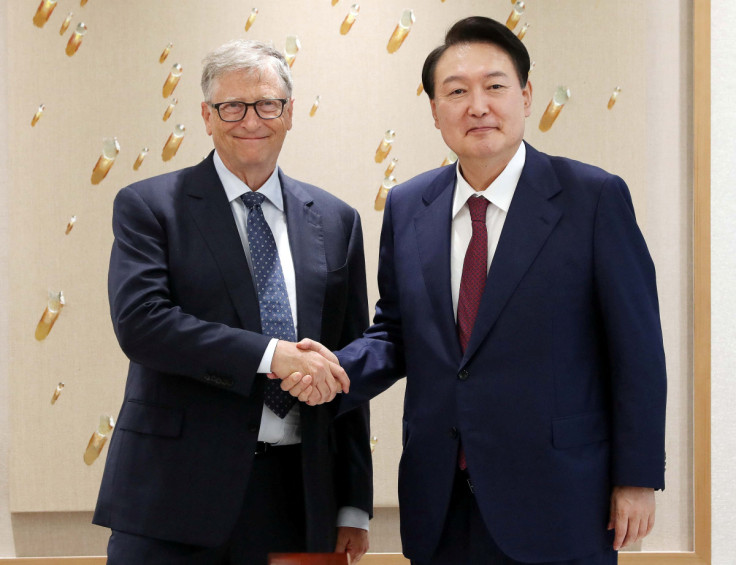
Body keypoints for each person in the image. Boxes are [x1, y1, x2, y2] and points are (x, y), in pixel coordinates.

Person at [284, 16, 667, 565]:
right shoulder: (408, 205)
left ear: (527, 95)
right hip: (440, 501)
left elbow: (638, 351)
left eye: (494, 86)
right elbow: (395, 331)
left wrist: (636, 478)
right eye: (456, 91)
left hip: (560, 498)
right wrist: (333, 373)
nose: (477, 105)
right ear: (436, 110)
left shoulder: (593, 198)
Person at [92, 39, 372, 565]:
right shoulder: (150, 206)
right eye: (231, 106)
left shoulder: (338, 221)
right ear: (205, 115)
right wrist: (272, 356)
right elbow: (142, 324)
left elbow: (346, 362)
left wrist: (353, 504)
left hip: (301, 498)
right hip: (172, 497)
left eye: (267, 104)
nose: (251, 120)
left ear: (288, 114)